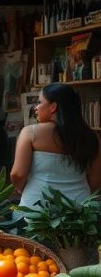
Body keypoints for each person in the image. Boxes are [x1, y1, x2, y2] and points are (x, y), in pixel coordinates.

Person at [11, 83, 101, 215]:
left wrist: (24, 189)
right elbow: (95, 181)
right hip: (79, 214)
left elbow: (18, 174)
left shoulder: (30, 133)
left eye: (40, 102)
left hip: (37, 212)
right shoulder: (93, 137)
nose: (36, 107)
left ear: (53, 107)